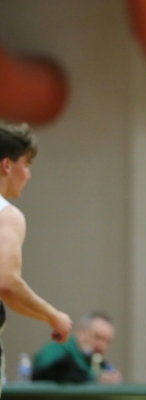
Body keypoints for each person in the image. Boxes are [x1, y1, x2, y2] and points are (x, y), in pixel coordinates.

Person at [0, 122, 72, 390]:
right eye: (26, 164)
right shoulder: (7, 216)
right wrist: (53, 316)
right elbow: (7, 284)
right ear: (7, 165)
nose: (28, 174)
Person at [32, 310, 122, 384]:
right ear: (81, 332)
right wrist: (95, 381)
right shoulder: (58, 349)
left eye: (107, 342)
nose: (101, 346)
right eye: (97, 337)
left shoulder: (99, 364)